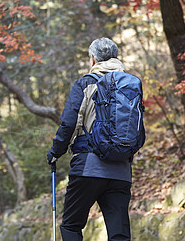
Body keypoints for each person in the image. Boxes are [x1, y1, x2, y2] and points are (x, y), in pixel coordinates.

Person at [47, 37, 145, 241]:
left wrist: (55, 152)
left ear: (93, 59)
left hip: (88, 168)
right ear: (116, 58)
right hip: (121, 171)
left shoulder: (85, 83)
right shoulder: (129, 86)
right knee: (119, 234)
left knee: (71, 226)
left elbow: (68, 124)